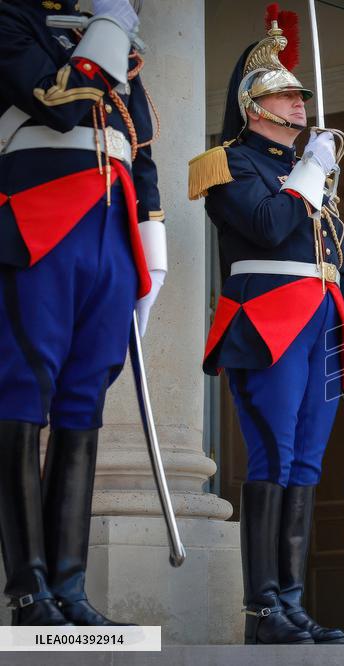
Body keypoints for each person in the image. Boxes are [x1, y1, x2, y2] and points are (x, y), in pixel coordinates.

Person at [189, 7, 344, 645]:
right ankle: (263, 609)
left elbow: (332, 253)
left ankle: (289, 602)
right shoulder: (228, 163)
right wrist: (310, 171)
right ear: (256, 105)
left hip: (319, 320)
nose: (301, 106)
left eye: (300, 97)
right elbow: (265, 226)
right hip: (268, 320)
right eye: (289, 96)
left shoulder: (310, 175)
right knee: (276, 452)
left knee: (309, 460)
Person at [0, 0, 166, 626]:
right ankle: (28, 592)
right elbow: (58, 101)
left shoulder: (111, 37)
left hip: (111, 232)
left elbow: (138, 150)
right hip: (39, 219)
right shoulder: (15, 20)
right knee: (23, 394)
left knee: (82, 402)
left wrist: (153, 256)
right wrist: (109, 26)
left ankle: (68, 588)